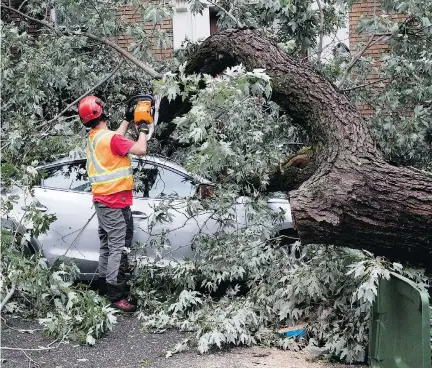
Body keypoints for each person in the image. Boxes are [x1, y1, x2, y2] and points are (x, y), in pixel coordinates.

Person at [78, 95, 149, 312]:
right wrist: (144, 129)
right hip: (115, 201)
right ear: (103, 112)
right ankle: (116, 296)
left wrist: (128, 120)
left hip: (103, 201)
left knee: (107, 246)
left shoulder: (95, 137)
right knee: (117, 247)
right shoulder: (109, 139)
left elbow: (115, 139)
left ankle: (104, 286)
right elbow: (140, 150)